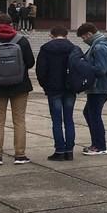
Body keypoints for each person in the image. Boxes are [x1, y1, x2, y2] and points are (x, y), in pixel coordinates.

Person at [0, 14, 36, 165]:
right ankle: (20, 155)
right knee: (19, 120)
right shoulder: (22, 41)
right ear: (11, 25)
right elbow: (30, 62)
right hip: (20, 86)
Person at [35, 27, 82, 161]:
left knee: (56, 120)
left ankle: (59, 150)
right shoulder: (74, 48)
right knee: (69, 119)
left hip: (53, 88)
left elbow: (40, 70)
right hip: (70, 88)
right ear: (66, 35)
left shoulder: (46, 48)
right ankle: (69, 150)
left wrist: (45, 85)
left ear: (51, 35)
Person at [77, 23, 107, 156]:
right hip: (101, 86)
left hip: (100, 87)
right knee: (89, 113)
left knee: (94, 115)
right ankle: (97, 144)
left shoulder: (99, 47)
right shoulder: (103, 43)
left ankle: (99, 146)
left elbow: (101, 69)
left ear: (89, 34)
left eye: (84, 37)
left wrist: (84, 66)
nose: (84, 40)